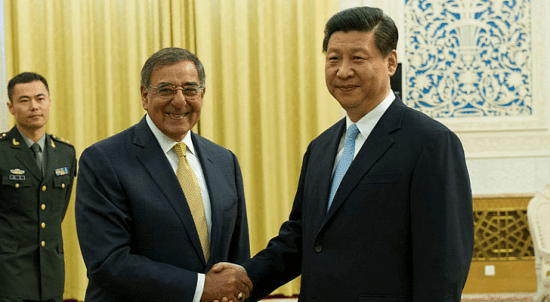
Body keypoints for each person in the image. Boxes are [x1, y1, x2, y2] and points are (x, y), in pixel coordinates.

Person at [241, 6, 474, 302]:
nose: (343, 71)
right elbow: (303, 237)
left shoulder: (432, 143)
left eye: (358, 58)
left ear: (390, 62)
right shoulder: (320, 147)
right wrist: (245, 279)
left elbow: (444, 262)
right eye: (333, 59)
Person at [75, 47, 252, 302]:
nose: (179, 101)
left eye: (190, 90)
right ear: (145, 96)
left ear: (202, 95)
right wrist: (201, 287)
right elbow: (108, 262)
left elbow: (236, 258)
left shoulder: (225, 161)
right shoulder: (104, 160)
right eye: (166, 90)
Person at [0, 72, 77, 302]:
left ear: (49, 102)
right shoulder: (1, 151)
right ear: (11, 107)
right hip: (9, 273)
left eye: (40, 98)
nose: (34, 106)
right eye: (24, 100)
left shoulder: (65, 152)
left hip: (51, 272)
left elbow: (58, 211)